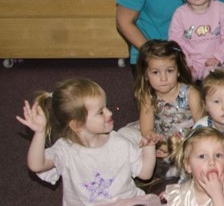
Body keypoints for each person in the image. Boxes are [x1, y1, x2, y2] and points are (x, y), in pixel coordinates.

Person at [17, 78, 161, 206]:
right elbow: (36, 165)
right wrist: (40, 132)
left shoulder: (119, 142)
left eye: (106, 107)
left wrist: (149, 146)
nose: (109, 113)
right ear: (76, 125)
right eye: (100, 112)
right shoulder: (65, 149)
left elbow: (145, 173)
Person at [128, 40, 204, 164]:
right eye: (155, 72)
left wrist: (181, 149)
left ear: (178, 71)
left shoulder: (191, 94)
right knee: (129, 141)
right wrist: (161, 145)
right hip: (161, 141)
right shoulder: (148, 97)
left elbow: (202, 127)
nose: (163, 78)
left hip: (190, 142)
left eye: (169, 71)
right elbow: (147, 130)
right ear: (146, 75)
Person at [163, 127, 224, 205]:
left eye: (218, 155)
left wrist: (217, 196)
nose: (212, 162)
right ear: (188, 166)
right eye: (202, 156)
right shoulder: (181, 196)